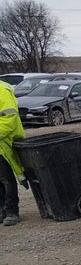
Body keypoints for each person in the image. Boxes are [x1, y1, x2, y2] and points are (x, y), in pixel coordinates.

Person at [0, 80, 26, 226]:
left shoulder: (2, 90)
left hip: (4, 143)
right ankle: (2, 210)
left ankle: (11, 211)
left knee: (6, 179)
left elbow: (10, 118)